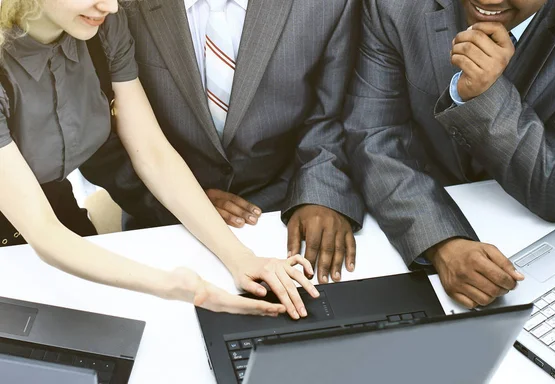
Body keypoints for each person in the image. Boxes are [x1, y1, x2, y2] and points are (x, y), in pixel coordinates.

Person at [0, 0, 319, 319]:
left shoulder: (104, 28)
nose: (111, 6)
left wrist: (241, 258)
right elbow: (43, 232)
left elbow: (152, 152)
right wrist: (178, 286)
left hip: (49, 198)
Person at [79, 0, 364, 285]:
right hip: (163, 225)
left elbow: (332, 112)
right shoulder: (113, 7)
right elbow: (97, 139)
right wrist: (174, 202)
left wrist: (320, 192)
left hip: (284, 209)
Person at [344, 0, 555, 308]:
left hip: (532, 250)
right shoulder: (396, 6)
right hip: (400, 231)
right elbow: (374, 136)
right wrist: (442, 243)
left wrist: (488, 94)